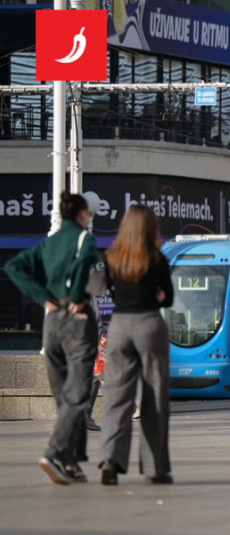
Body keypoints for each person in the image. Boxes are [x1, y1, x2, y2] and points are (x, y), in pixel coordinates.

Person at [4, 192, 99, 484]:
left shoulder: (49, 244)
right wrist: (75, 297)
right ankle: (56, 451)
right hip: (77, 321)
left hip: (52, 323)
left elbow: (13, 267)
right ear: (83, 215)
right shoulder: (85, 238)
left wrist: (43, 299)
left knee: (64, 397)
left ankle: (71, 462)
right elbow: (86, 263)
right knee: (78, 394)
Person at [97, 204, 174, 486]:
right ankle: (155, 469)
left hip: (118, 327)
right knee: (154, 397)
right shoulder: (156, 258)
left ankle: (110, 461)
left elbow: (111, 291)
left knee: (117, 395)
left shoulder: (112, 257)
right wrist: (155, 295)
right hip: (149, 325)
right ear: (150, 227)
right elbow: (168, 298)